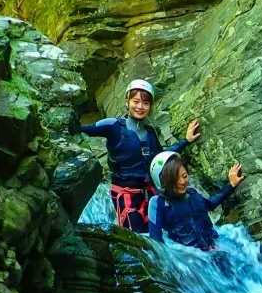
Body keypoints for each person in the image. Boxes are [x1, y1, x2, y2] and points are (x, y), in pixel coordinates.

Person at [80, 79, 202, 233]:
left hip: (150, 192)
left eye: (145, 103)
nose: (140, 107)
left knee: (159, 235)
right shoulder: (113, 126)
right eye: (136, 101)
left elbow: (161, 157)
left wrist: (186, 140)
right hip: (126, 195)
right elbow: (82, 129)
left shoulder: (150, 132)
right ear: (127, 101)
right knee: (137, 238)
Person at [146, 151, 245, 249]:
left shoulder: (192, 194)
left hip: (214, 248)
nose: (182, 182)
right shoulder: (157, 203)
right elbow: (156, 244)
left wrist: (231, 185)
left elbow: (210, 204)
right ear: (163, 183)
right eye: (175, 179)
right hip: (190, 260)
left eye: (184, 176)